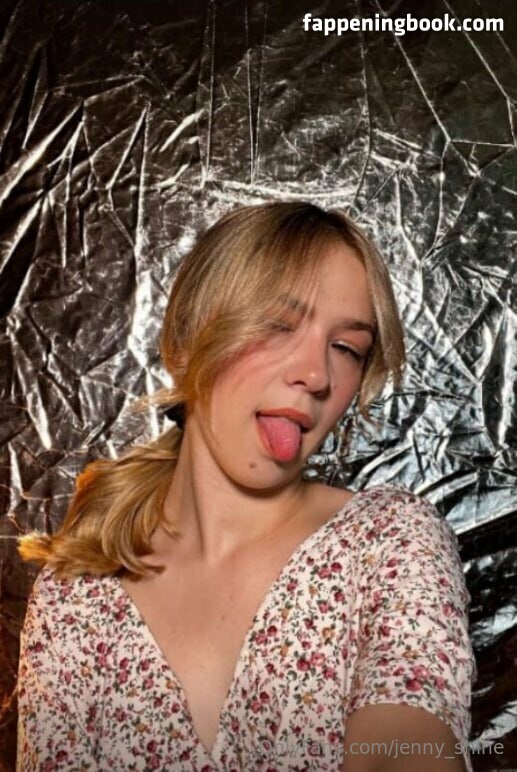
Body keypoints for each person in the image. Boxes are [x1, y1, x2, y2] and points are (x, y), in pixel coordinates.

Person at [16, 202, 475, 771]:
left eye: (346, 348)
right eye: (278, 325)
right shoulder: (76, 595)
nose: (316, 374)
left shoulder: (390, 543)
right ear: (186, 341)